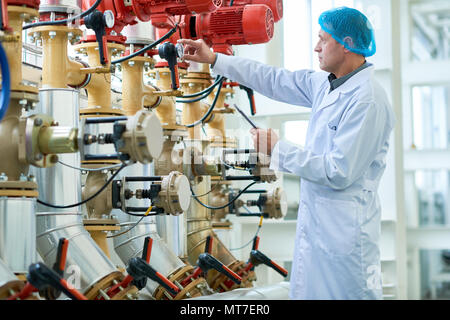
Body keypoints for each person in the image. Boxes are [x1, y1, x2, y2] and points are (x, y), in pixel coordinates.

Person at [178, 6, 395, 300]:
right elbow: (273, 79)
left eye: (323, 39)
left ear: (346, 44)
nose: (316, 46)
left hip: (346, 237)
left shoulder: (367, 99)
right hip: (320, 229)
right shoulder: (326, 83)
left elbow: (338, 171)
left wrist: (277, 148)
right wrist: (215, 59)